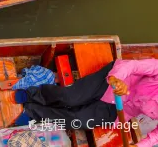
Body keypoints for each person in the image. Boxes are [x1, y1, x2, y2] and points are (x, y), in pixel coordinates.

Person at [14, 59, 158, 147]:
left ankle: (33, 113)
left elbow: (155, 137)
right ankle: (33, 94)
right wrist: (117, 79)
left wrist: (139, 146)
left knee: (78, 120)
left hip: (120, 109)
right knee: (70, 98)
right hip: (111, 81)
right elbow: (133, 66)